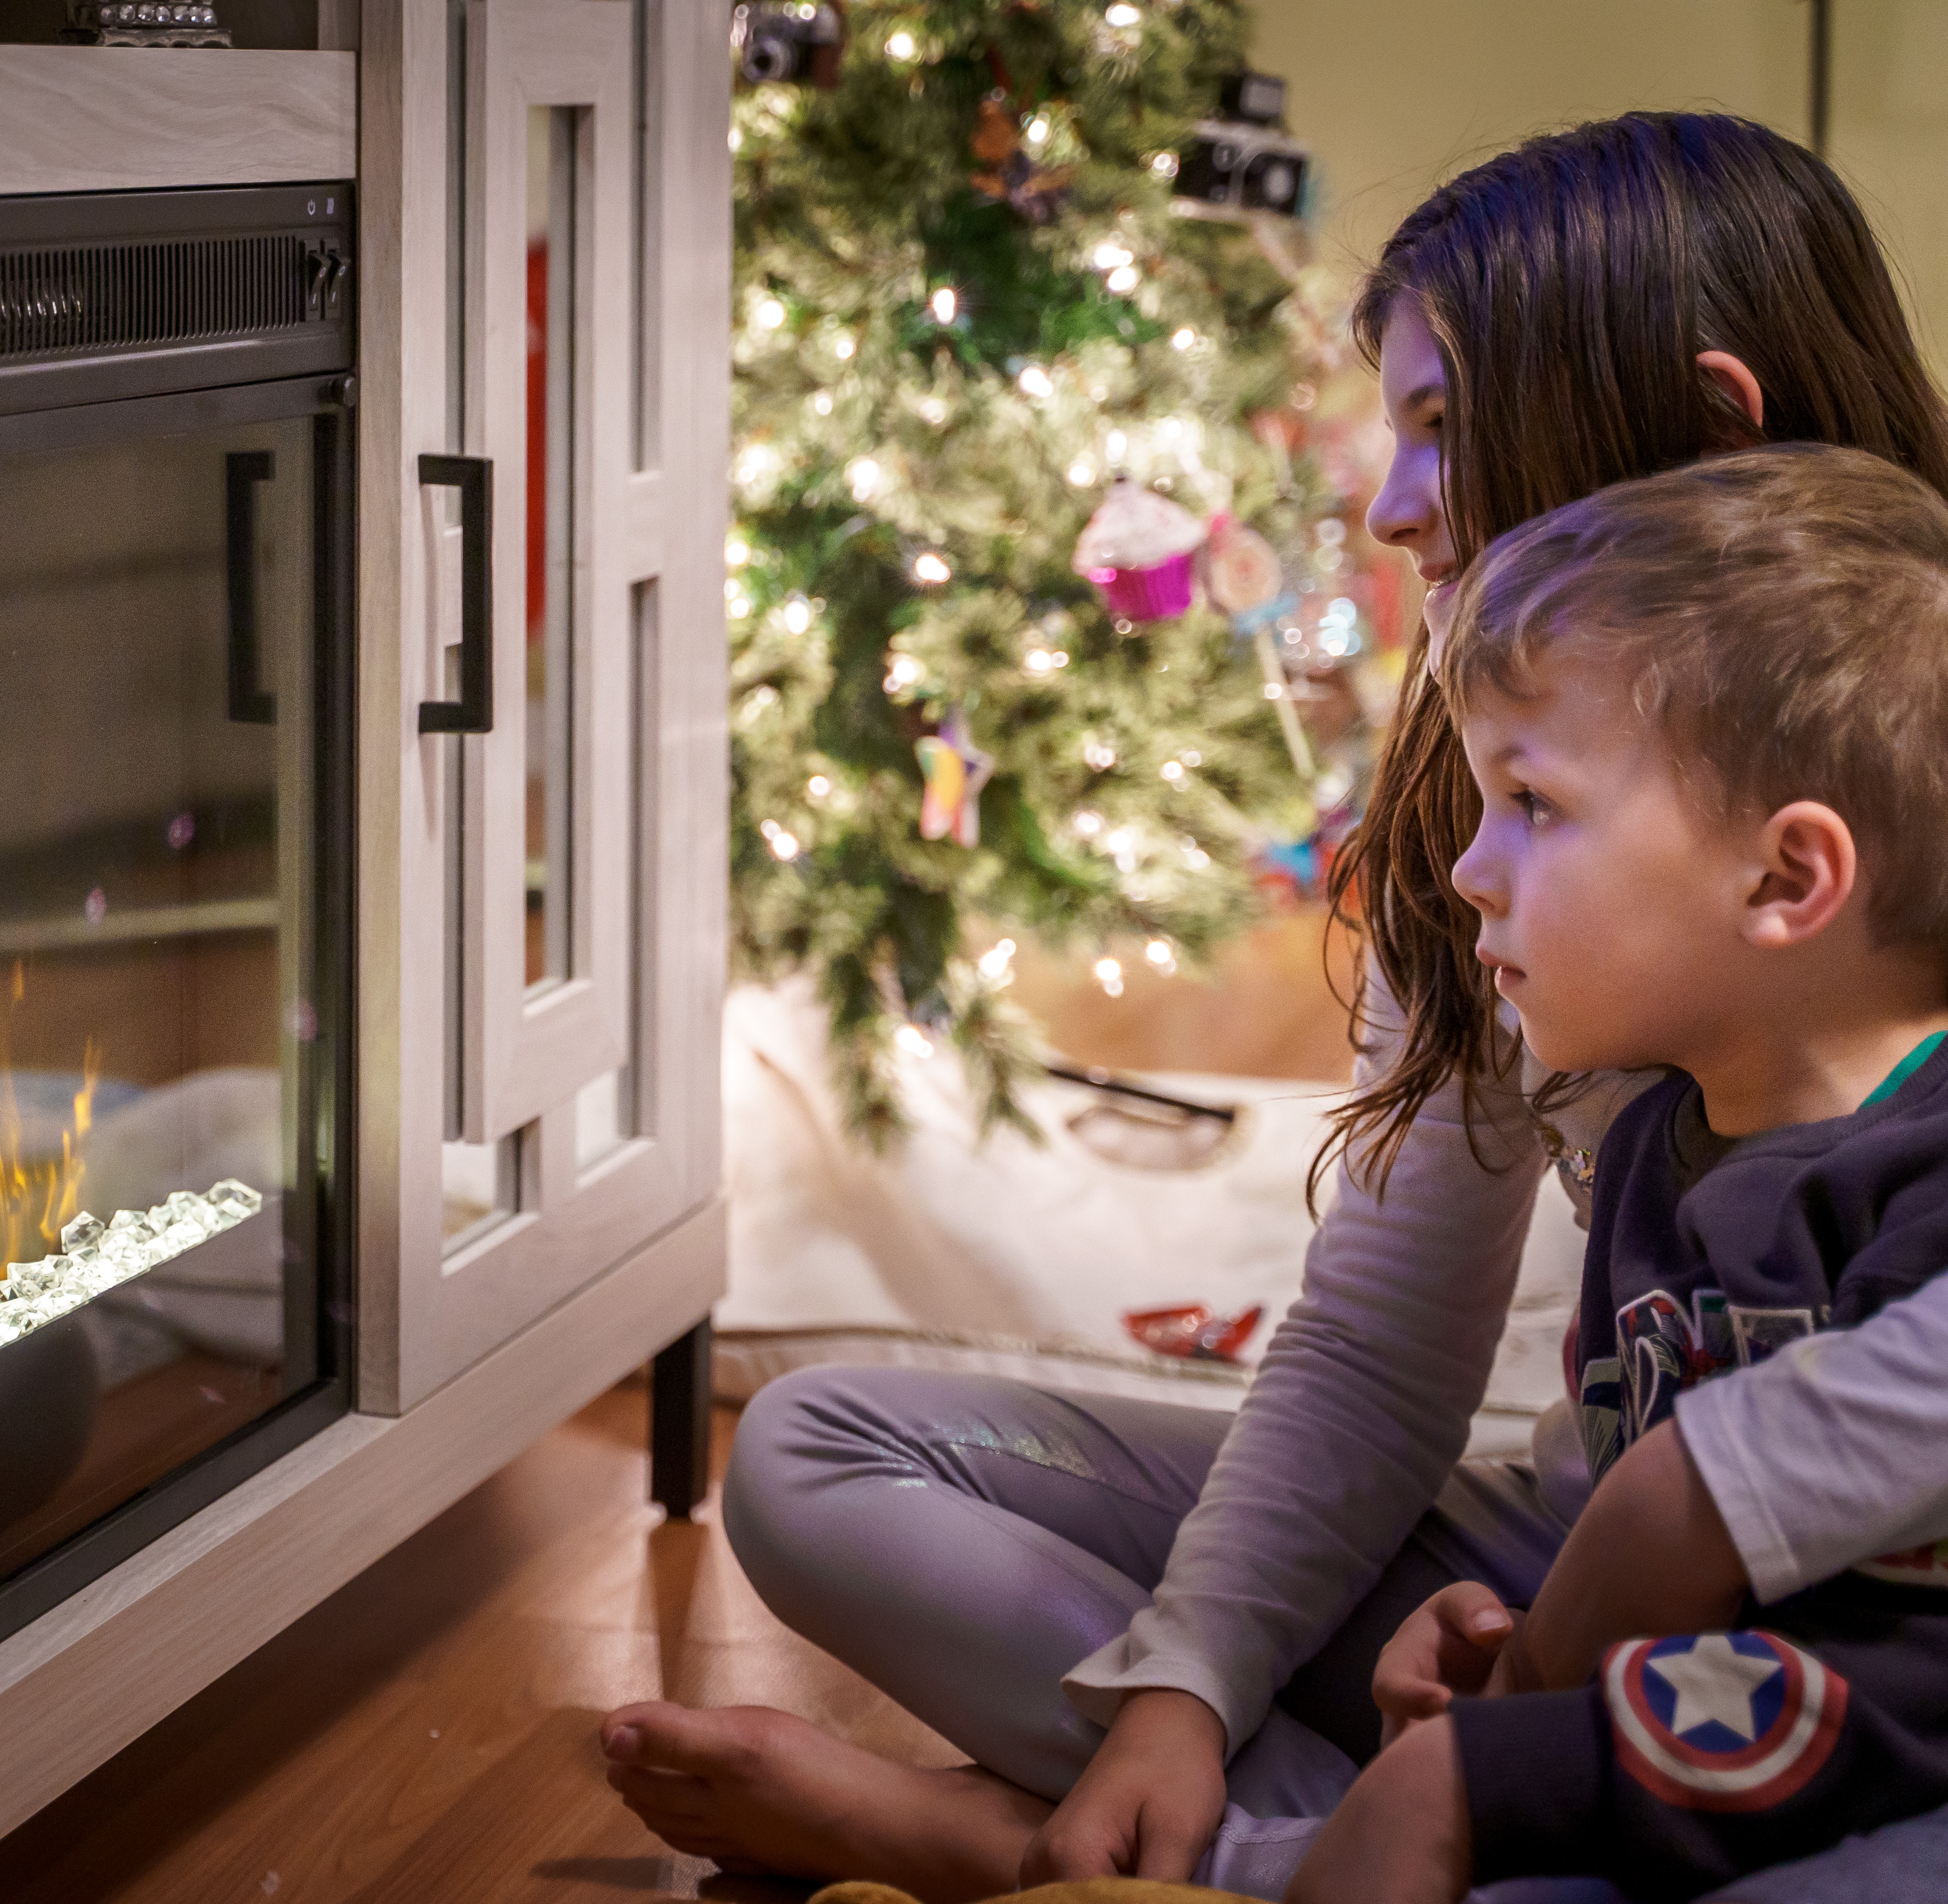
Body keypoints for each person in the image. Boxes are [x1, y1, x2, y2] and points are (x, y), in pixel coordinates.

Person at [602, 113, 1948, 1900]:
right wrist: (1187, 1677)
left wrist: (1702, 1495)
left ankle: (1106, 1860)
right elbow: (1390, 1334)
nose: (1387, 505)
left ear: (1706, 428)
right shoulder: (1483, 838)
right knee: (817, 1453)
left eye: (1443, 431)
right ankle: (1327, 1847)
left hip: (1868, 1660)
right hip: (1580, 1582)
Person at [1277, 444, 1948, 1903]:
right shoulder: (1652, 1147)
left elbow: (1887, 1680)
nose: (1468, 870)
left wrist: (1520, 1744)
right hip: (1709, 1728)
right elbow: (1642, 1549)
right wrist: (1503, 1648)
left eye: (1535, 803)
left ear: (1787, 881)